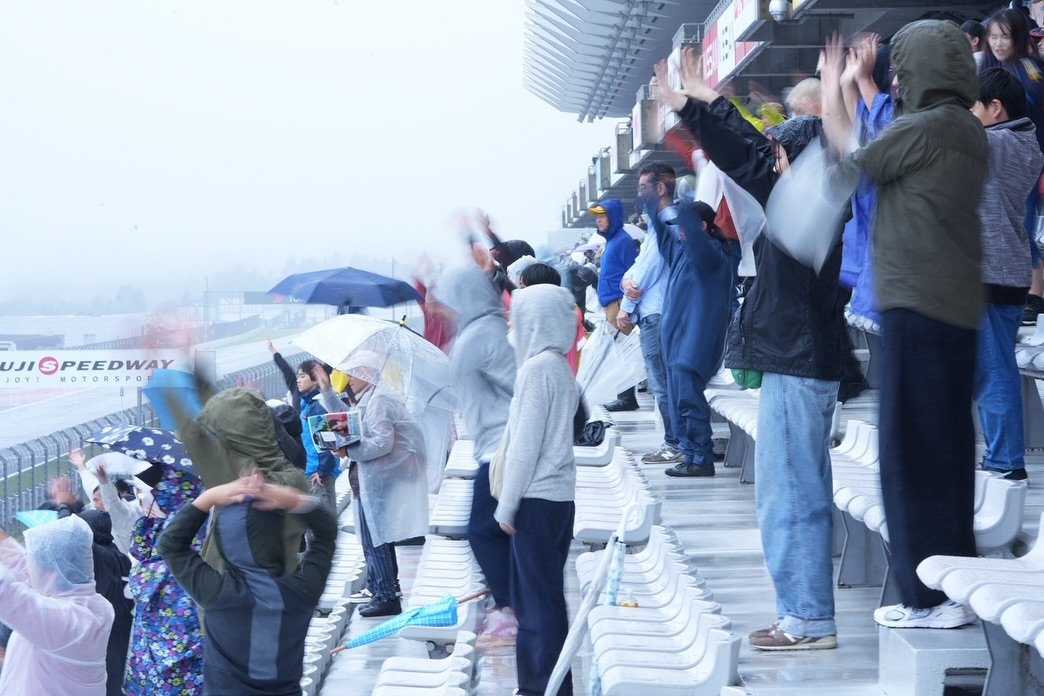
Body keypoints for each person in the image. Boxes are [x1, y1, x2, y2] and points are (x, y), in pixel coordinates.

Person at [653, 46, 845, 649]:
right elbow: (749, 152)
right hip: (797, 359)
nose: (773, 163)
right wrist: (697, 104)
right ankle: (802, 612)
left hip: (797, 359)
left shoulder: (810, 201)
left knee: (790, 496)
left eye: (782, 153)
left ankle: (807, 617)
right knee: (789, 493)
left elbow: (745, 156)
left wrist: (694, 106)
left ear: (800, 159)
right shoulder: (808, 198)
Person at [823, 21, 988, 629]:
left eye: (901, 67)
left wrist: (834, 86)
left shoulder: (923, 128)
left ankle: (927, 596)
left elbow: (847, 165)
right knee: (943, 454)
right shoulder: (963, 129)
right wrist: (852, 88)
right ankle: (952, 587)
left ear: (920, 72)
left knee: (909, 456)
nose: (895, 77)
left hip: (916, 305)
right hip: (951, 306)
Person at [158, 474, 336, 695]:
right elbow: (326, 534)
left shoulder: (216, 592)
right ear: (276, 537)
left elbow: (170, 544)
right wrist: (293, 499)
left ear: (223, 540)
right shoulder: (302, 591)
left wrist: (209, 496)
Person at [493, 283, 579, 696]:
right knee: (545, 596)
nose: (514, 325)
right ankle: (549, 685)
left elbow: (526, 445)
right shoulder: (559, 366)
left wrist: (507, 506)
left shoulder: (535, 370)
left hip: (535, 499)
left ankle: (542, 687)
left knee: (535, 604)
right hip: (558, 498)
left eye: (519, 317)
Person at [438, 262, 519, 643]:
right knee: (492, 529)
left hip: (500, 444)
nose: (441, 309)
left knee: (482, 530)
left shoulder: (480, 336)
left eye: (445, 301)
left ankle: (509, 606)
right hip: (494, 443)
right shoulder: (481, 330)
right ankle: (507, 601)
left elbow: (514, 385)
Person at [317, 351, 428, 618]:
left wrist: (348, 453)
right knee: (374, 538)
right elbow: (348, 421)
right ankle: (381, 589)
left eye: (353, 374)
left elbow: (381, 442)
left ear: (367, 373)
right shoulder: (370, 398)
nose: (349, 380)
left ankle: (386, 595)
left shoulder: (378, 402)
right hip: (368, 480)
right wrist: (327, 391)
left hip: (377, 481)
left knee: (376, 539)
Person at [972, 67, 1044, 482]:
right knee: (993, 368)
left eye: (971, 106)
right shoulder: (1023, 140)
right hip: (1008, 268)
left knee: (993, 370)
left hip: (989, 269)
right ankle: (1002, 458)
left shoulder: (994, 143)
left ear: (995, 109)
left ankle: (1005, 462)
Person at [644, 177, 739, 478]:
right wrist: (651, 202)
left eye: (685, 224)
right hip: (679, 344)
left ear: (702, 227)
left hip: (695, 344)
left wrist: (682, 206)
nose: (680, 230)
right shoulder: (682, 251)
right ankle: (690, 455)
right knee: (678, 402)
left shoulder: (711, 255)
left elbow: (693, 237)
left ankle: (701, 459)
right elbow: (662, 233)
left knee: (688, 402)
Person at [0, 515, 114, 695]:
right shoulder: (93, 607)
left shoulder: (70, 623)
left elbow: (6, 594)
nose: (27, 569)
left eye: (32, 561)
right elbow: (22, 567)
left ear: (52, 571)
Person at [981, 8, 1044, 325]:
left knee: (1024, 225)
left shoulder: (1028, 70)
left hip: (1025, 159)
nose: (997, 42)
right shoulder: (993, 67)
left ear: (1018, 38)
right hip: (1002, 161)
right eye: (993, 36)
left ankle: (1034, 296)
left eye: (1004, 36)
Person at [616, 169, 681, 466]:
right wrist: (625, 282)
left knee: (662, 383)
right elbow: (638, 266)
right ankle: (676, 441)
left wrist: (626, 306)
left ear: (660, 188)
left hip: (657, 312)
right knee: (663, 382)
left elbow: (647, 270)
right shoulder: (659, 224)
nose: (639, 193)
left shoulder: (668, 221)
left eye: (643, 187)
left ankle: (674, 443)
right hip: (655, 311)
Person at [124, 465, 206, 695]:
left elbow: (145, 580)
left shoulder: (179, 531)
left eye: (159, 490)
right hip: (186, 640)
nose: (154, 495)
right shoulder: (199, 519)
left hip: (174, 642)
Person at [590, 198, 640, 412]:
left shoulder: (622, 241)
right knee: (619, 351)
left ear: (613, 217)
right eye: (597, 217)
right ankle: (625, 396)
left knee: (624, 350)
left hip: (619, 303)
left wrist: (626, 306)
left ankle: (627, 398)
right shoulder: (612, 241)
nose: (599, 221)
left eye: (603, 216)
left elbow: (632, 274)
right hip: (611, 303)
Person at [80, 509, 134, 696]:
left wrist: (63, 506)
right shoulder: (122, 557)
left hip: (104, 631)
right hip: (125, 626)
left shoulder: (97, 556)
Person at [295, 359, 341, 509]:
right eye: (298, 376)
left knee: (322, 522)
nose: (298, 380)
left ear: (315, 381)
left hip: (318, 474)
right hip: (315, 469)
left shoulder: (317, 405)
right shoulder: (308, 403)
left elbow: (326, 442)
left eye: (302, 376)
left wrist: (321, 472)